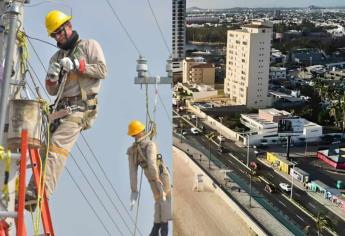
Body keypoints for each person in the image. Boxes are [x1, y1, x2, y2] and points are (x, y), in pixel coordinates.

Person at [26, 10, 107, 209]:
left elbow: (102, 70)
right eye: (53, 35)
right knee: (44, 150)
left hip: (80, 108)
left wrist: (78, 65)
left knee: (56, 148)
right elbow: (53, 91)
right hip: (61, 109)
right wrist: (52, 78)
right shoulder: (56, 57)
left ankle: (42, 191)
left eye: (59, 33)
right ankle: (30, 192)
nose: (57, 37)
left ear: (68, 26)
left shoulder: (89, 46)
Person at [127, 120, 172, 236]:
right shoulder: (149, 145)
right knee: (165, 200)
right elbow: (152, 163)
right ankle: (163, 232)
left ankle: (154, 232)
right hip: (159, 174)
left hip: (149, 177)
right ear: (140, 131)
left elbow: (132, 173)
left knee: (158, 201)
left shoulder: (132, 151)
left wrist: (134, 191)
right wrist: (157, 178)